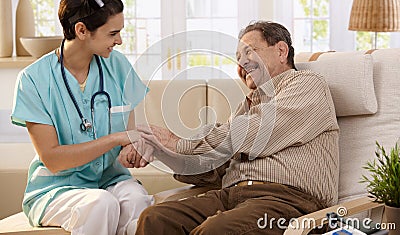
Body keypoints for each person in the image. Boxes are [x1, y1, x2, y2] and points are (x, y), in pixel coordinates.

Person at [121, 21, 339, 234]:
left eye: (250, 52)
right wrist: (161, 150)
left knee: (215, 230)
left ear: (281, 51)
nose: (241, 64)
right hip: (233, 196)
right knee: (155, 219)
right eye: (238, 59)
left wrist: (179, 143)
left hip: (288, 201)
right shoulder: (244, 107)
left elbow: (255, 132)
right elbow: (210, 170)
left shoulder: (307, 84)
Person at [11, 0, 153, 235]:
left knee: (137, 201)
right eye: (113, 33)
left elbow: (128, 140)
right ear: (81, 30)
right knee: (101, 204)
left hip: (111, 179)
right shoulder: (33, 80)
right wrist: (116, 138)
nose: (119, 40)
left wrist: (134, 148)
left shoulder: (118, 67)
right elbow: (53, 160)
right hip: (57, 188)